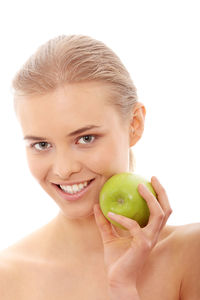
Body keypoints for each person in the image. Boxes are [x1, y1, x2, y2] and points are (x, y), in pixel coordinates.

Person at [0, 35, 199, 300]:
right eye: (42, 145)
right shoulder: (8, 278)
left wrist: (123, 287)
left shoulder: (190, 255)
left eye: (85, 138)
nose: (64, 169)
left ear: (134, 125)